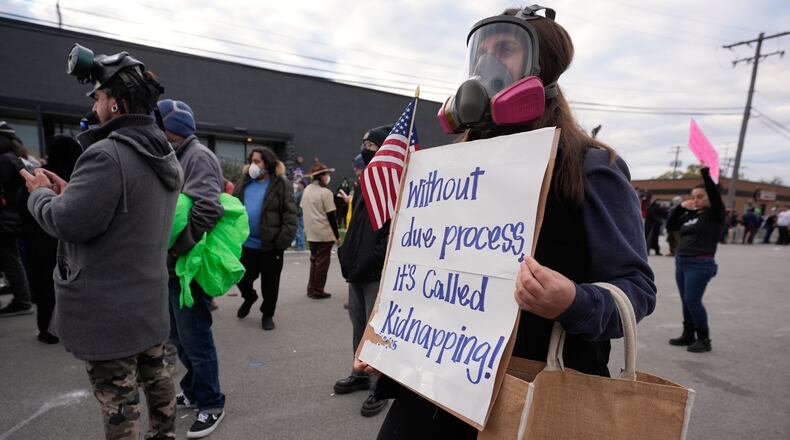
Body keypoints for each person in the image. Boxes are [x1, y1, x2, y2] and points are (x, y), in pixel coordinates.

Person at [365, 7, 656, 438]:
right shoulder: (451, 170)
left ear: (543, 67)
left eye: (504, 50)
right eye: (479, 54)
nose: (487, 65)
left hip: (532, 392)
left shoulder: (590, 167)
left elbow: (637, 292)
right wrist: (384, 339)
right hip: (432, 386)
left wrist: (573, 301)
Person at [22, 46, 181, 439]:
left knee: (119, 409)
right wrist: (73, 191)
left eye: (98, 98)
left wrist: (40, 193)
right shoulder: (163, 153)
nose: (95, 107)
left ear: (117, 103)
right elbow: (122, 212)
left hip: (109, 314)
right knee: (159, 385)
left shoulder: (108, 155)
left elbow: (67, 222)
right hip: (147, 306)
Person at [157, 98, 227, 438]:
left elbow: (207, 211)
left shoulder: (197, 156)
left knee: (195, 337)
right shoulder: (177, 154)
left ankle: (212, 403)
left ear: (173, 128)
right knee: (179, 337)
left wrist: (175, 252)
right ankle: (196, 388)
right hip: (174, 268)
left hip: (187, 266)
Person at [334, 124, 392, 418]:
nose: (364, 150)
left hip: (375, 271)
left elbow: (393, 231)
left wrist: (373, 259)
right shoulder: (365, 181)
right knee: (358, 324)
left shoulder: (393, 182)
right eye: (363, 144)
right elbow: (356, 226)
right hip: (356, 270)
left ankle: (379, 385)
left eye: (370, 145)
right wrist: (347, 253)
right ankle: (360, 373)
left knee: (377, 330)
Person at [18, 134, 82, 342]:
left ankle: (47, 330)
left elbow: (23, 207)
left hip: (39, 241)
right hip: (69, 243)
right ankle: (71, 328)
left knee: (44, 285)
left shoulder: (41, 177)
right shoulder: (80, 176)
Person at [233, 147, 296, 330]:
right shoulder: (244, 182)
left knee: (270, 285)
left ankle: (267, 314)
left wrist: (281, 242)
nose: (254, 165)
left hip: (271, 246)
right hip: (245, 244)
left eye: (258, 161)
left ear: (268, 163)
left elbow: (290, 214)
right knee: (241, 278)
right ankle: (249, 297)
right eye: (252, 161)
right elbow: (233, 207)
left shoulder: (280, 183)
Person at [666, 166, 724, 353]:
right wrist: (680, 207)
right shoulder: (691, 215)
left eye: (700, 196)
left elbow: (715, 196)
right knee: (686, 300)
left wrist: (706, 174)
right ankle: (688, 334)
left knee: (693, 300)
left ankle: (704, 339)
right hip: (682, 262)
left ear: (710, 197)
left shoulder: (715, 214)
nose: (695, 200)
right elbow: (671, 224)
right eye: (693, 197)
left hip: (700, 264)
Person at [0, 121, 34, 317]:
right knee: (12, 259)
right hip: (14, 217)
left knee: (10, 260)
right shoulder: (17, 158)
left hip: (6, 219)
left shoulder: (5, 160)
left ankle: (22, 301)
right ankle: (23, 299)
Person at [301, 162, 340, 299]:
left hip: (311, 232)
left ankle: (311, 288)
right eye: (327, 174)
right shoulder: (325, 192)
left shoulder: (306, 190)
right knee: (322, 263)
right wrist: (337, 236)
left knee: (314, 261)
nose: (328, 177)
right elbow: (331, 216)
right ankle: (318, 290)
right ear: (322, 176)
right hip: (324, 232)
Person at [293, 179, 306, 250]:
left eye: (299, 184)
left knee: (299, 230)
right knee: (296, 230)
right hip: (295, 213)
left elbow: (302, 204)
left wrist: (299, 213)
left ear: (302, 185)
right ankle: (298, 244)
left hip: (299, 214)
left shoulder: (302, 193)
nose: (298, 185)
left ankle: (301, 246)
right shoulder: (297, 192)